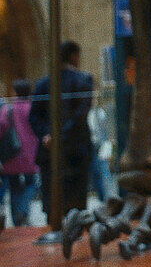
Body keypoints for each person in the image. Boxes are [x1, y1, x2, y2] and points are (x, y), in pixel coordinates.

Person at [29, 40, 93, 219]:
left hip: (51, 150)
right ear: (74, 56)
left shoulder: (43, 84)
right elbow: (79, 116)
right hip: (75, 151)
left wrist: (48, 136)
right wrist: (59, 136)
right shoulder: (83, 80)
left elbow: (34, 117)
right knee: (76, 209)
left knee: (53, 208)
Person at [0, 79, 38, 226]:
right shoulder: (32, 107)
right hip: (30, 153)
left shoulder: (9, 109)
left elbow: (1, 126)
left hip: (12, 155)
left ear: (16, 92)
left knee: (15, 186)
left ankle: (17, 219)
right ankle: (23, 211)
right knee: (32, 183)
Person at [87, 95, 112, 203]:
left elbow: (105, 130)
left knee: (104, 171)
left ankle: (107, 198)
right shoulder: (89, 113)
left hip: (100, 145)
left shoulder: (100, 112)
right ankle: (102, 198)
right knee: (96, 172)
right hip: (92, 145)